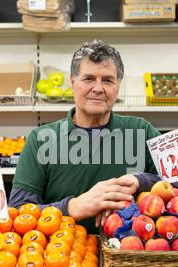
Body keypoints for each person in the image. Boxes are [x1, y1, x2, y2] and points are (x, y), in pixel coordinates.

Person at [9, 40, 161, 234]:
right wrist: (71, 207)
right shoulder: (40, 140)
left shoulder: (142, 130)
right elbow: (18, 213)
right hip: (62, 256)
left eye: (107, 80)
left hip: (128, 256)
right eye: (88, 79)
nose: (98, 88)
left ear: (118, 87)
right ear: (73, 83)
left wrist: (141, 181)